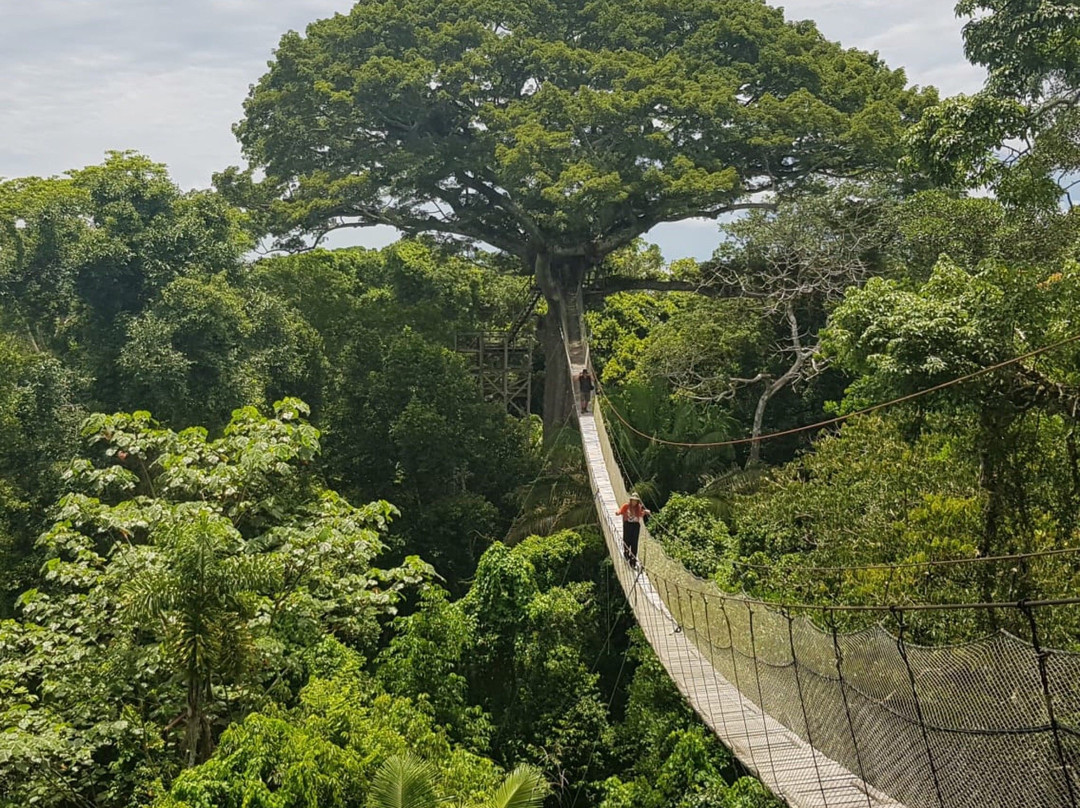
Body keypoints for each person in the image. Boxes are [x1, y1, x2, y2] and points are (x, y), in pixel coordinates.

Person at [616, 492, 649, 568]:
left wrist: (645, 512)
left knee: (634, 543)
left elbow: (640, 514)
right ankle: (626, 553)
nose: (634, 502)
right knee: (627, 540)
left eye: (636, 500)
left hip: (635, 526)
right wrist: (618, 512)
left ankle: (633, 561)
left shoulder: (639, 507)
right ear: (631, 500)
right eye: (633, 500)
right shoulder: (626, 506)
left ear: (637, 502)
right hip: (627, 525)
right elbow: (621, 510)